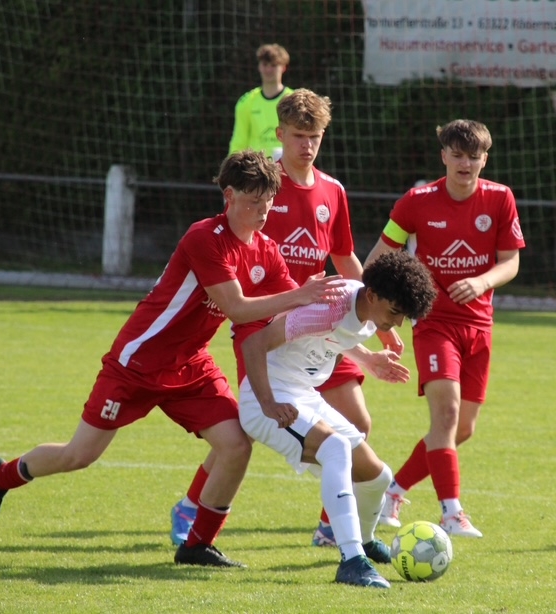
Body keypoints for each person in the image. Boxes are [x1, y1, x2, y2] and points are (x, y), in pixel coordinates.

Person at [0, 150, 344, 569]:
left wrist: (357, 342)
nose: (263, 211)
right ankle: (0, 477)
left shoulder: (266, 250)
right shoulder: (204, 237)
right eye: (253, 201)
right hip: (138, 363)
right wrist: (300, 295)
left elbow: (295, 311)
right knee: (80, 455)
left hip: (191, 366)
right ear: (229, 196)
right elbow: (238, 308)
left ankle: (197, 545)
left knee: (237, 444)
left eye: (268, 202)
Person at [170, 88, 403, 548]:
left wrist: (375, 315)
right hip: (267, 327)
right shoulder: (262, 187)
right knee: (253, 425)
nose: (307, 145)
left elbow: (343, 257)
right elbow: (229, 242)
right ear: (280, 134)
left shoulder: (333, 190)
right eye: (298, 135)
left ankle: (332, 525)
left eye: (315, 136)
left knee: (357, 422)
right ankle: (192, 504)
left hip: (325, 323)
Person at [238, 251, 438, 588]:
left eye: (404, 316)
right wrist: (268, 403)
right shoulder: (330, 307)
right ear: (372, 295)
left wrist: (369, 360)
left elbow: (336, 336)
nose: (397, 323)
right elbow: (254, 344)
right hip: (267, 401)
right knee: (335, 448)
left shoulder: (367, 313)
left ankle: (366, 540)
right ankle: (352, 560)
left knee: (378, 477)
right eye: (395, 312)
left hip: (303, 395)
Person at [366, 119, 525, 538]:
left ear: (484, 159)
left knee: (460, 429)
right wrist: (371, 313)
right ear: (443, 156)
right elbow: (379, 256)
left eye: (474, 156)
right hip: (434, 324)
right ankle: (451, 513)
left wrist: (482, 281)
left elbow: (511, 261)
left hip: (480, 325)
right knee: (447, 414)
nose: (465, 164)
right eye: (457, 155)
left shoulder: (500, 198)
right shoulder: (416, 202)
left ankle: (393, 491)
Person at [228, 43, 293, 161]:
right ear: (259, 67)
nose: (268, 69)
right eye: (265, 64)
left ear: (283, 67)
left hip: (287, 166)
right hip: (256, 167)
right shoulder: (246, 102)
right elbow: (239, 141)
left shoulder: (293, 100)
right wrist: (233, 165)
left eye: (273, 65)